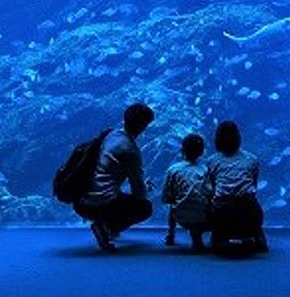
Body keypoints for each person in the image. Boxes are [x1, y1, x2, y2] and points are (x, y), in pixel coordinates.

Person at [74, 103, 155, 251]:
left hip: (80, 201)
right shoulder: (130, 150)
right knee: (145, 208)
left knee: (118, 195)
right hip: (99, 205)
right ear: (143, 126)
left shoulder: (110, 135)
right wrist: (146, 188)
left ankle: (106, 226)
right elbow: (139, 193)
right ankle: (107, 227)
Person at [207, 121, 267, 255]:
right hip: (249, 209)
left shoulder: (212, 161)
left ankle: (219, 238)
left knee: (213, 201)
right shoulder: (252, 158)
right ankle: (255, 236)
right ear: (238, 137)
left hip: (223, 210)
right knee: (249, 201)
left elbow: (212, 187)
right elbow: (253, 185)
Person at [162, 133, 212, 250]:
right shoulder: (206, 170)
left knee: (172, 205)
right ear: (202, 152)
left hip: (181, 216)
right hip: (204, 217)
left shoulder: (173, 169)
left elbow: (166, 198)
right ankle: (202, 233)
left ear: (182, 149)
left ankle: (170, 235)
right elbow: (210, 193)